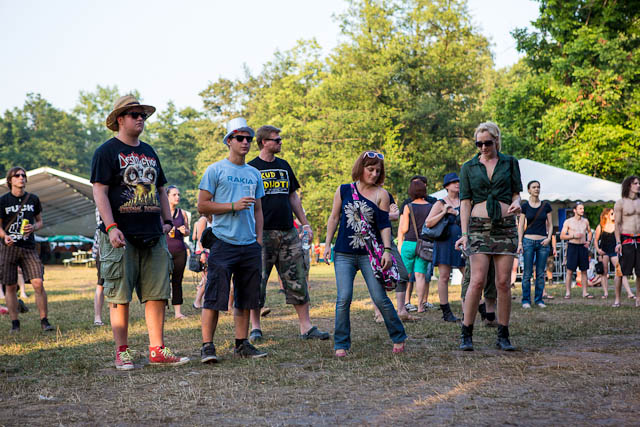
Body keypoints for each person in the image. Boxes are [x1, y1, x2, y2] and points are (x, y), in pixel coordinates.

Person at [91, 95, 189, 369]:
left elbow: (160, 189)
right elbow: (99, 190)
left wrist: (168, 221)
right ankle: (122, 351)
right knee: (120, 295)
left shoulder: (149, 152)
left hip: (154, 234)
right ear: (119, 119)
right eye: (134, 114)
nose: (140, 119)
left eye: (142, 115)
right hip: (120, 234)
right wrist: (111, 227)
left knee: (158, 292)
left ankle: (157, 350)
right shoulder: (106, 151)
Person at [247, 125, 329, 342]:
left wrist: (305, 224)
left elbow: (293, 197)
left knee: (297, 279)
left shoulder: (284, 166)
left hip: (288, 233)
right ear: (264, 142)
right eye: (277, 139)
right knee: (258, 281)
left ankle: (306, 327)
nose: (280, 142)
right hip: (261, 234)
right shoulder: (251, 168)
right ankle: (255, 328)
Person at [197, 117, 267, 362]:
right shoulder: (215, 170)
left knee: (246, 298)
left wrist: (258, 240)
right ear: (229, 141)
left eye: (248, 138)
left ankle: (241, 344)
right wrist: (232, 206)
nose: (245, 142)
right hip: (223, 241)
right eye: (240, 138)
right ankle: (208, 346)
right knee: (215, 296)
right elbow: (202, 205)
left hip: (248, 245)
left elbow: (258, 209)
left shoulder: (254, 173)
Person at [324, 151, 407, 356]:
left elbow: (384, 225)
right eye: (370, 169)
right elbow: (334, 218)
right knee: (344, 298)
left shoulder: (382, 194)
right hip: (343, 252)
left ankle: (398, 335)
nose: (374, 174)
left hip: (370, 254)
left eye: (378, 171)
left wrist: (387, 250)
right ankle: (341, 343)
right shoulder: (343, 190)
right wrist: (327, 245)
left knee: (380, 298)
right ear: (360, 169)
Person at [456, 121, 522, 351]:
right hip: (478, 227)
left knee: (503, 282)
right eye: (479, 143)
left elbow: (516, 194)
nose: (483, 147)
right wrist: (464, 233)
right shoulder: (468, 167)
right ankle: (466, 333)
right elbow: (464, 202)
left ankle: (503, 334)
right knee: (477, 281)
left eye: (487, 143)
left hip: (505, 226)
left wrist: (517, 203)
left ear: (496, 141)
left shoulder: (510, 163)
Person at [0, 167, 54, 333]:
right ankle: (15, 323)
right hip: (9, 247)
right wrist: (4, 237)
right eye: (17, 175)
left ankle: (44, 321)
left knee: (38, 283)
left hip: (29, 247)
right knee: (10, 286)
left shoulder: (33, 199)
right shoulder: (3, 200)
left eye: (24, 175)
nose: (21, 178)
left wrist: (33, 227)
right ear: (11, 180)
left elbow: (40, 222)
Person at [426, 172, 465, 322]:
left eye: (459, 182)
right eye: (454, 182)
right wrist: (444, 212)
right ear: (447, 186)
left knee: (467, 274)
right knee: (443, 276)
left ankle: (467, 307)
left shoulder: (465, 201)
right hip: (444, 242)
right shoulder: (440, 202)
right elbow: (428, 223)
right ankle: (446, 311)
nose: (457, 184)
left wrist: (455, 212)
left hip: (461, 241)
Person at [400, 175, 436, 312]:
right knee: (420, 275)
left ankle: (404, 303)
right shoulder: (431, 206)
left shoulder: (408, 206)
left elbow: (403, 228)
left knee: (406, 275)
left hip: (409, 243)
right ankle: (421, 305)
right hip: (425, 245)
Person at [517, 180, 553, 308]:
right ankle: (526, 300)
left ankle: (539, 300)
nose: (536, 189)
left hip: (543, 242)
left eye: (538, 187)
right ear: (529, 190)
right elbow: (521, 225)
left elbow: (550, 224)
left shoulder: (546, 205)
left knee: (540, 273)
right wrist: (520, 242)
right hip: (528, 241)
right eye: (534, 187)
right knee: (527, 273)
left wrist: (549, 238)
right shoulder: (525, 206)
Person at [614, 175, 640, 307]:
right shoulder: (621, 203)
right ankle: (617, 299)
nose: (638, 185)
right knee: (621, 271)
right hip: (626, 239)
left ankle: (638, 299)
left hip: (639, 239)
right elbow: (617, 224)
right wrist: (618, 242)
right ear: (629, 185)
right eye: (636, 183)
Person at [594, 208, 630, 300]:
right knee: (604, 272)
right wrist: (598, 250)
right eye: (612, 213)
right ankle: (605, 293)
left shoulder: (617, 226)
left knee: (620, 271)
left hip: (614, 251)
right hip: (604, 251)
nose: (614, 215)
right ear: (606, 215)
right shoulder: (600, 226)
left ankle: (629, 292)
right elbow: (596, 240)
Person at [166, 185, 190, 319]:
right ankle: (161, 309)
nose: (177, 197)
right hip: (164, 252)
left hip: (180, 251)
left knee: (177, 280)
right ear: (167, 197)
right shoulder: (161, 213)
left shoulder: (183, 213)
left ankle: (177, 312)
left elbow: (188, 232)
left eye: (178, 194)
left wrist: (184, 231)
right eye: (174, 195)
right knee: (162, 281)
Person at [560, 203, 592, 299]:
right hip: (572, 246)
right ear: (575, 210)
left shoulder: (585, 221)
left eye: (583, 208)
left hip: (582, 247)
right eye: (580, 208)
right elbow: (562, 236)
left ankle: (585, 292)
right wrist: (573, 236)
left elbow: (589, 232)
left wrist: (589, 241)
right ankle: (568, 292)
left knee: (584, 270)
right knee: (569, 271)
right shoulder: (568, 222)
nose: (582, 210)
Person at [191, 214, 212, 310]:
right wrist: (203, 253)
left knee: (206, 279)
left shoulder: (212, 218)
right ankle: (197, 301)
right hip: (204, 252)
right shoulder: (203, 219)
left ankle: (203, 300)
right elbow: (199, 238)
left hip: (210, 252)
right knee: (206, 279)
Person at [92, 208, 105, 326]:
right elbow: (101, 224)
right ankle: (97, 317)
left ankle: (116, 315)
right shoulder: (102, 200)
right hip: (103, 249)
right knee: (101, 284)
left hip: (120, 248)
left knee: (116, 285)